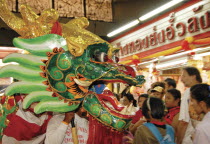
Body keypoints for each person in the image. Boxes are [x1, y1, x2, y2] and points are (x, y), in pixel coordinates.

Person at [178, 66, 202, 144]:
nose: (181, 79)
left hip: (190, 138)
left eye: (184, 76)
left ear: (193, 76)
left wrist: (178, 141)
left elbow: (184, 121)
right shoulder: (206, 90)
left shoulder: (189, 92)